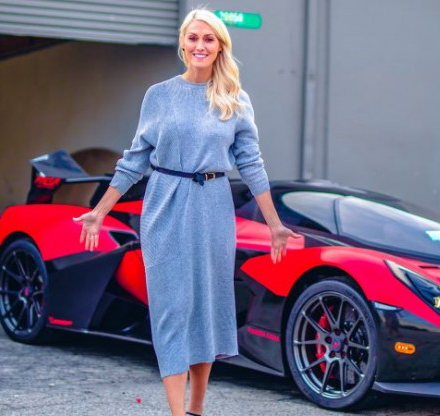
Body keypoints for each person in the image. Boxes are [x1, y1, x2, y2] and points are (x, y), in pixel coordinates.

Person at [73, 8, 300, 416]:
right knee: (171, 310)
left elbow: (251, 164)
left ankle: (196, 409)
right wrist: (100, 210)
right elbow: (135, 159)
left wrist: (274, 224)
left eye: (208, 39)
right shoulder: (158, 95)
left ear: (220, 46)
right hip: (165, 202)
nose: (200, 45)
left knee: (204, 310)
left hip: (213, 205)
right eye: (193, 37)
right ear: (182, 42)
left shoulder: (235, 99)